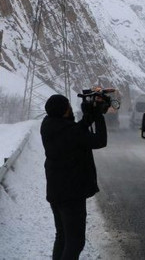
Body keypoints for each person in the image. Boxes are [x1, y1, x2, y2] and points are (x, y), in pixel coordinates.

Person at [40, 93, 108, 260]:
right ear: (63, 111)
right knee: (76, 242)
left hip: (56, 192)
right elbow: (100, 140)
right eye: (68, 107)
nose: (71, 108)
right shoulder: (69, 132)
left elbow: (74, 131)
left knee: (62, 237)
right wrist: (98, 115)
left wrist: (87, 118)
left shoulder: (49, 124)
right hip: (72, 194)